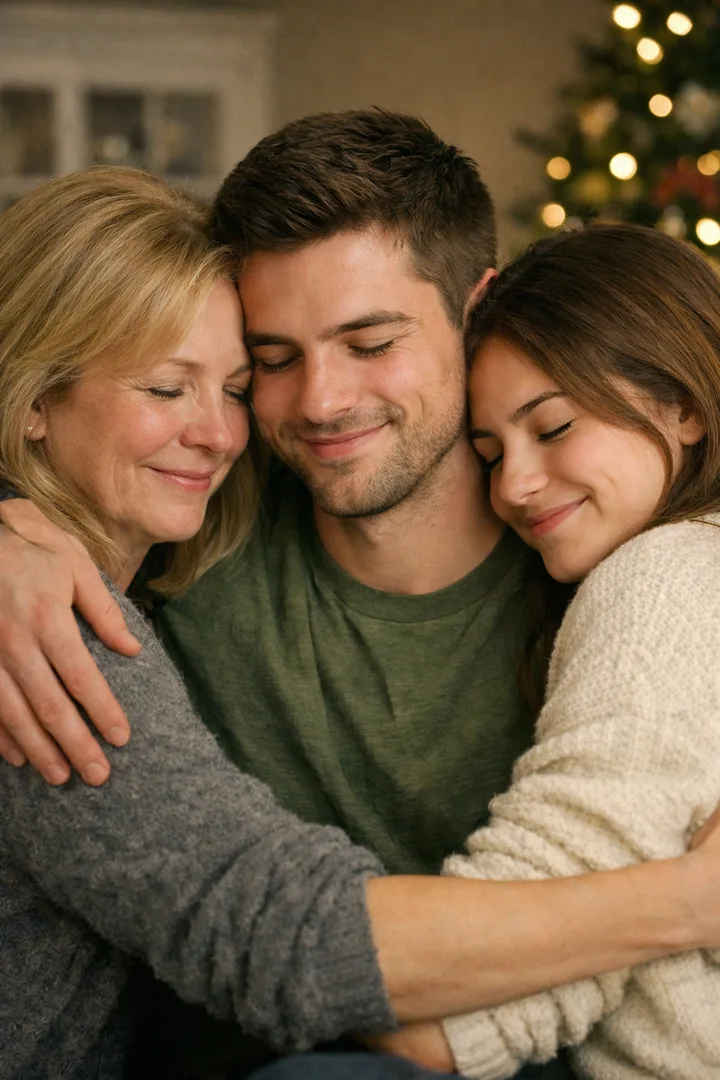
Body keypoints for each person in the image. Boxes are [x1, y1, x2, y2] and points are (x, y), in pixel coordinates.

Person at [0, 113, 719, 1080]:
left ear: (474, 309)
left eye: (371, 342)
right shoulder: (199, 523)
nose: (320, 402)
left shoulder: (593, 548)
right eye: (274, 361)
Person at [431, 224, 720, 1079]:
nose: (513, 485)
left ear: (684, 404)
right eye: (490, 454)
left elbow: (483, 993)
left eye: (553, 427)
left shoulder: (661, 577)